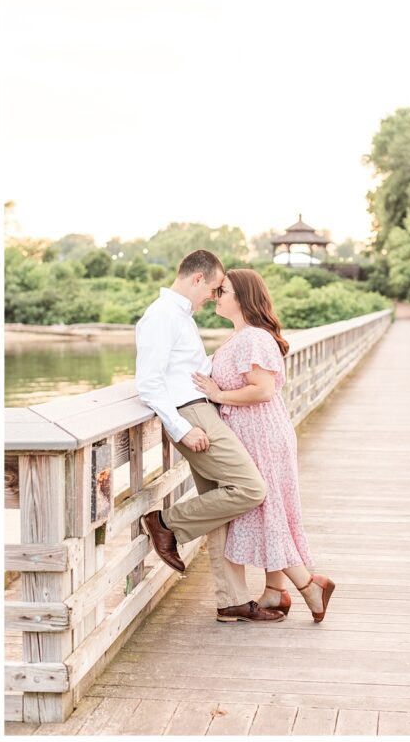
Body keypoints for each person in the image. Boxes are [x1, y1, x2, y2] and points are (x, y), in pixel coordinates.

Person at [136, 250, 284, 623]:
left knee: (220, 506)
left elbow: (186, 369)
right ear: (197, 279)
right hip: (192, 414)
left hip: (203, 410)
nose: (215, 297)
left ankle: (231, 600)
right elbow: (149, 383)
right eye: (215, 288)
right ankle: (164, 523)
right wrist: (182, 428)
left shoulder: (179, 317)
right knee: (251, 489)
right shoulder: (161, 316)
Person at [191, 268, 335, 622]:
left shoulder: (253, 338)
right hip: (254, 431)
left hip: (261, 433)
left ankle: (308, 585)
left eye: (222, 290)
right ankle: (274, 592)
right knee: (271, 510)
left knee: (267, 510)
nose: (215, 296)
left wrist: (217, 393)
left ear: (241, 297)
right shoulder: (241, 337)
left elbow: (263, 389)